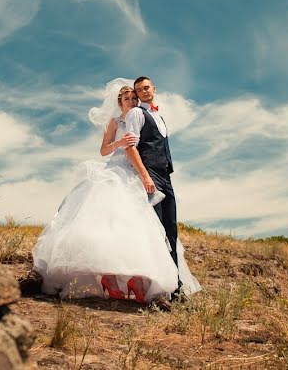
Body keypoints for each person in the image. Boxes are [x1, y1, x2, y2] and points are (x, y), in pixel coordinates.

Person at [31, 79, 180, 303]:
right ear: (120, 102)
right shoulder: (115, 121)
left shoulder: (139, 117)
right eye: (127, 98)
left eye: (133, 98)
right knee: (108, 221)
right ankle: (109, 278)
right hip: (117, 170)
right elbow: (103, 150)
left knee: (135, 225)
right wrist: (119, 143)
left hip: (136, 172)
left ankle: (136, 279)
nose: (131, 101)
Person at [124, 76, 185, 298]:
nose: (144, 91)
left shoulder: (159, 116)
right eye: (139, 90)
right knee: (157, 232)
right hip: (150, 176)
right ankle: (158, 290)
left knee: (171, 231)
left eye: (146, 88)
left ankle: (175, 287)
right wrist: (145, 177)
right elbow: (130, 148)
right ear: (137, 94)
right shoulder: (136, 114)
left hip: (166, 176)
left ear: (154, 89)